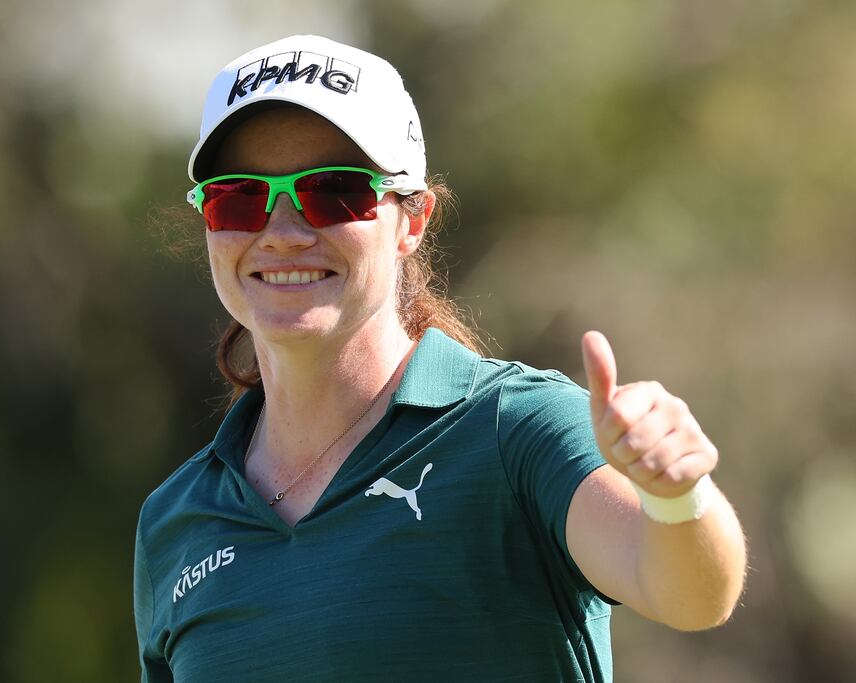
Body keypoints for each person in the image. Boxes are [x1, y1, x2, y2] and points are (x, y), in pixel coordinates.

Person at [133, 34, 747, 682]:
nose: (282, 233)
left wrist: (678, 496)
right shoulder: (176, 520)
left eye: (334, 191)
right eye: (241, 198)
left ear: (413, 219)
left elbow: (690, 594)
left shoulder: (516, 428)